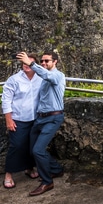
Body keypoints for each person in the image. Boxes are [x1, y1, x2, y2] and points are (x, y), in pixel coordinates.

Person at [15, 49, 65, 196]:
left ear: (55, 62)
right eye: (41, 61)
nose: (43, 63)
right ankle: (56, 169)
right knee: (33, 150)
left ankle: (47, 181)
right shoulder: (43, 77)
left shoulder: (57, 75)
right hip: (40, 118)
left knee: (38, 150)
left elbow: (49, 76)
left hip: (53, 117)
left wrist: (31, 63)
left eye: (46, 61)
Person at [1, 53, 40, 188]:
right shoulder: (14, 79)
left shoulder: (40, 78)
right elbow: (6, 100)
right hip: (19, 119)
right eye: (24, 62)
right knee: (16, 146)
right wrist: (9, 120)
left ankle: (29, 168)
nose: (26, 64)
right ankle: (8, 174)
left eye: (29, 62)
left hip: (35, 119)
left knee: (32, 146)